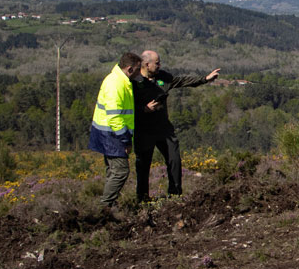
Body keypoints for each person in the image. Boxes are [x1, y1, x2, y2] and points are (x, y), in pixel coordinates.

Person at [132, 50, 220, 200]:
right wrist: (144, 109)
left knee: (174, 159)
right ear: (147, 64)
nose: (160, 65)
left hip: (163, 128)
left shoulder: (163, 77)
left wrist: (205, 79)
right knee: (143, 166)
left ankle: (175, 195)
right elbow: (126, 106)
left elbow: (181, 81)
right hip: (144, 130)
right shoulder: (134, 81)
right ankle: (143, 199)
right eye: (157, 63)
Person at [88, 52, 144, 208]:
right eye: (138, 69)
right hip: (112, 135)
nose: (140, 73)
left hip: (110, 134)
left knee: (113, 171)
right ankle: (104, 207)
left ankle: (109, 205)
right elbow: (114, 117)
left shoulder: (119, 80)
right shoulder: (116, 84)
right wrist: (125, 140)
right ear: (130, 69)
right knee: (120, 171)